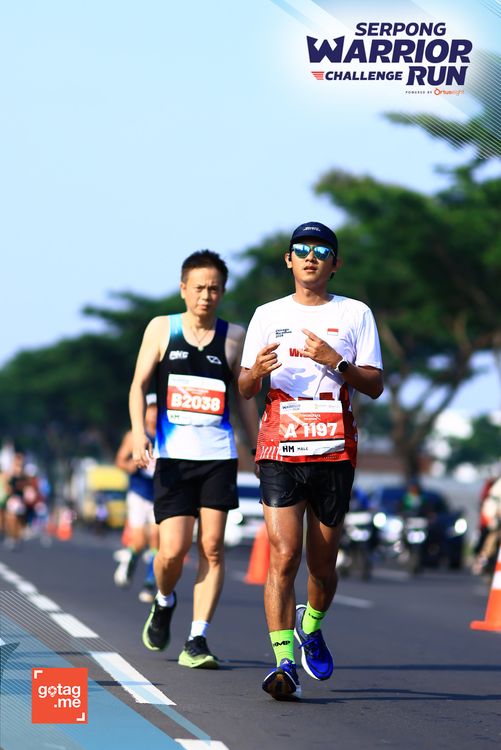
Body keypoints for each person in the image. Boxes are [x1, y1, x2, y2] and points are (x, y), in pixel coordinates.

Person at [238, 221, 384, 700]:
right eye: (301, 249)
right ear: (289, 260)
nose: (311, 257)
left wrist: (335, 361)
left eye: (322, 251)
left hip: (334, 446)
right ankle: (284, 663)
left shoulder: (355, 313)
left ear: (335, 264)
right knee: (284, 555)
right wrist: (256, 373)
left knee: (322, 567)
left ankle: (312, 626)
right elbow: (244, 386)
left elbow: (375, 385)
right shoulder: (267, 314)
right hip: (280, 443)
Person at [130, 249, 259, 669]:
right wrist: (139, 433)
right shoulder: (162, 329)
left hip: (218, 456)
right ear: (183, 288)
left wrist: (258, 446)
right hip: (172, 456)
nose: (206, 295)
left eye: (214, 288)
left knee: (213, 547)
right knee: (172, 551)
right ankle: (164, 599)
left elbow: (244, 399)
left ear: (223, 292)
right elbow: (138, 385)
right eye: (199, 287)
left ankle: (197, 639)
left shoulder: (235, 336)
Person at [114, 394, 159, 602]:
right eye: (150, 409)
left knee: (157, 539)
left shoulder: (168, 434)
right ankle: (130, 558)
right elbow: (120, 461)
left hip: (159, 493)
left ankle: (150, 582)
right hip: (139, 493)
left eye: (157, 409)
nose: (154, 414)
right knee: (139, 541)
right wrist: (131, 465)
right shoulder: (134, 435)